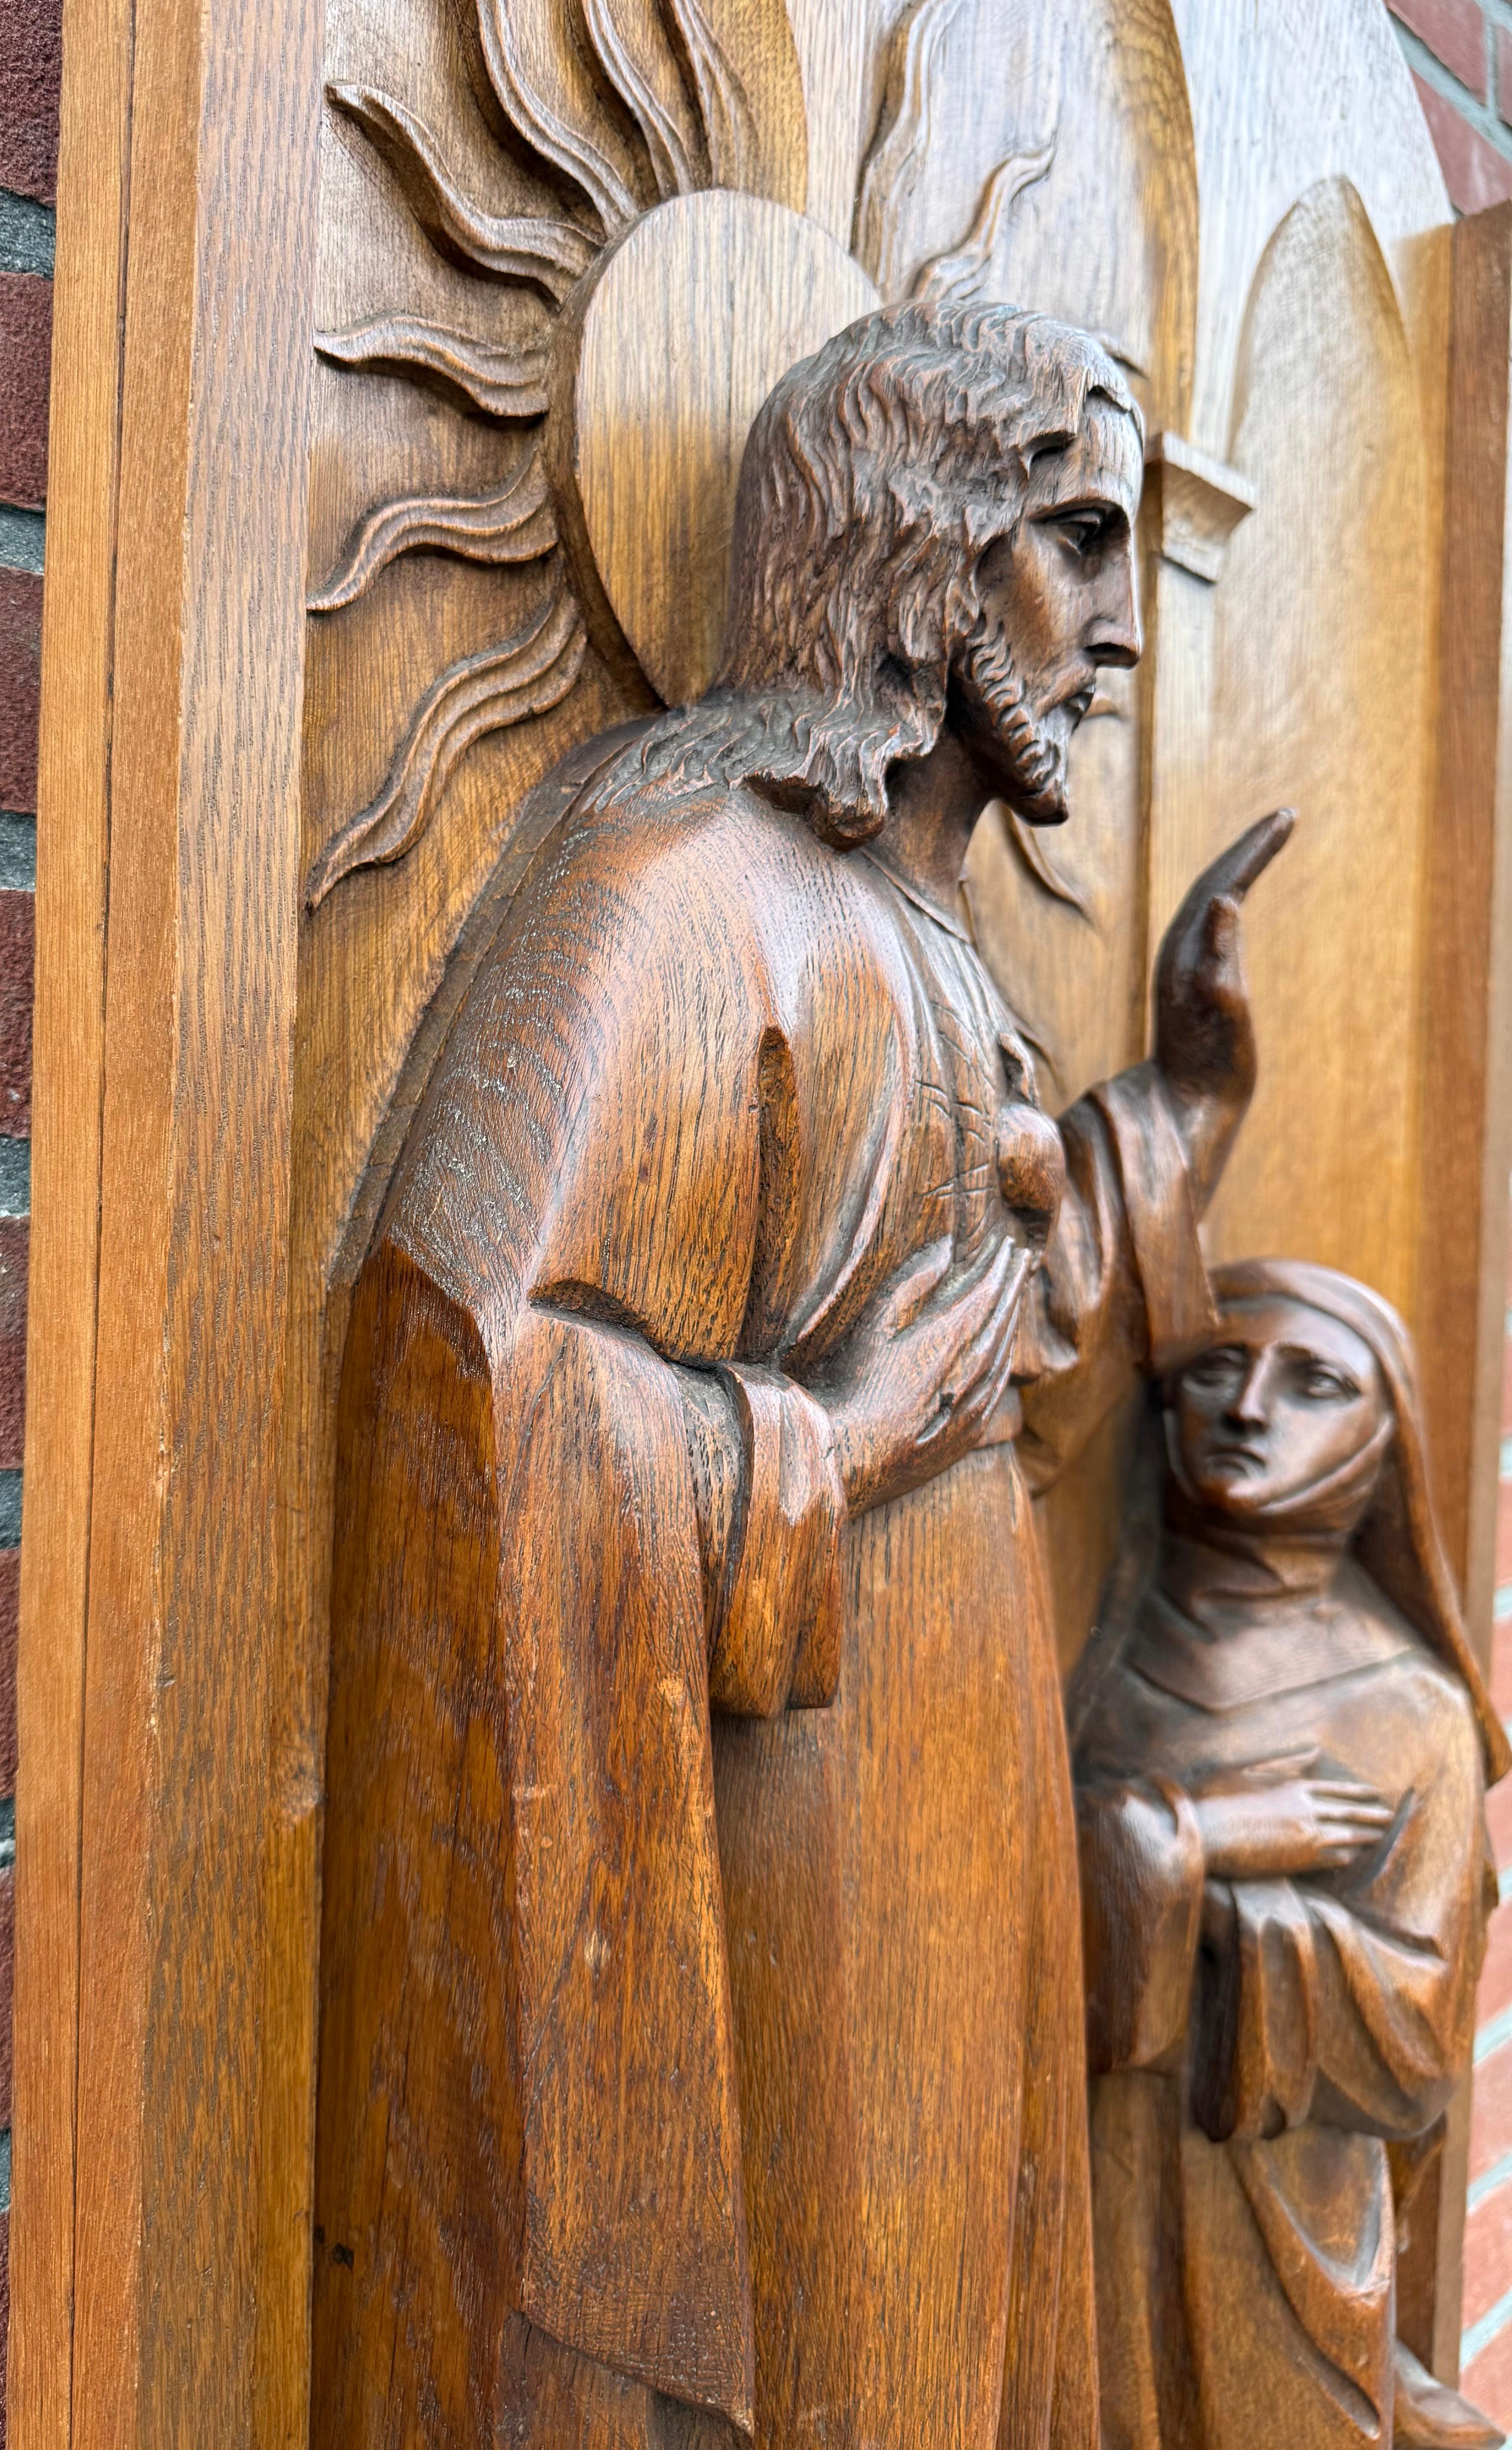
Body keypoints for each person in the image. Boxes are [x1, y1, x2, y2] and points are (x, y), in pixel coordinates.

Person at [312, 297, 1288, 2447]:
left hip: (967, 1784)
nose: (1125, 630)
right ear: (924, 546)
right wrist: (820, 1451)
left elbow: (994, 1338)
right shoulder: (687, 893)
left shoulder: (933, 941)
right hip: (807, 1831)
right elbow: (469, 1361)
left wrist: (1183, 1112)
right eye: (1080, 541)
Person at [1074, 1262, 1510, 2450]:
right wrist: (1202, 1836)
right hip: (1082, 2197)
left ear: (1384, 1439)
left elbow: (1418, 2041)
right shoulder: (1089, 1640)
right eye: (1217, 1367)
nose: (1251, 1406)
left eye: (1314, 1382)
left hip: (1281, 2230)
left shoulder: (1409, 1712)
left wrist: (1212, 1902)